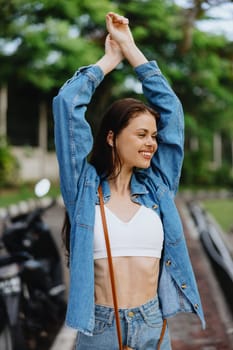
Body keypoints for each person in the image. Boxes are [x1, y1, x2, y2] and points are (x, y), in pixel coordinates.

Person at [53, 12, 205, 350]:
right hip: (102, 330)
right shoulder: (83, 189)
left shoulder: (158, 187)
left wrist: (131, 48)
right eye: (140, 134)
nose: (151, 142)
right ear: (111, 137)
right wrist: (108, 61)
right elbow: (67, 105)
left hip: (155, 326)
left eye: (153, 135)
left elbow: (172, 111)